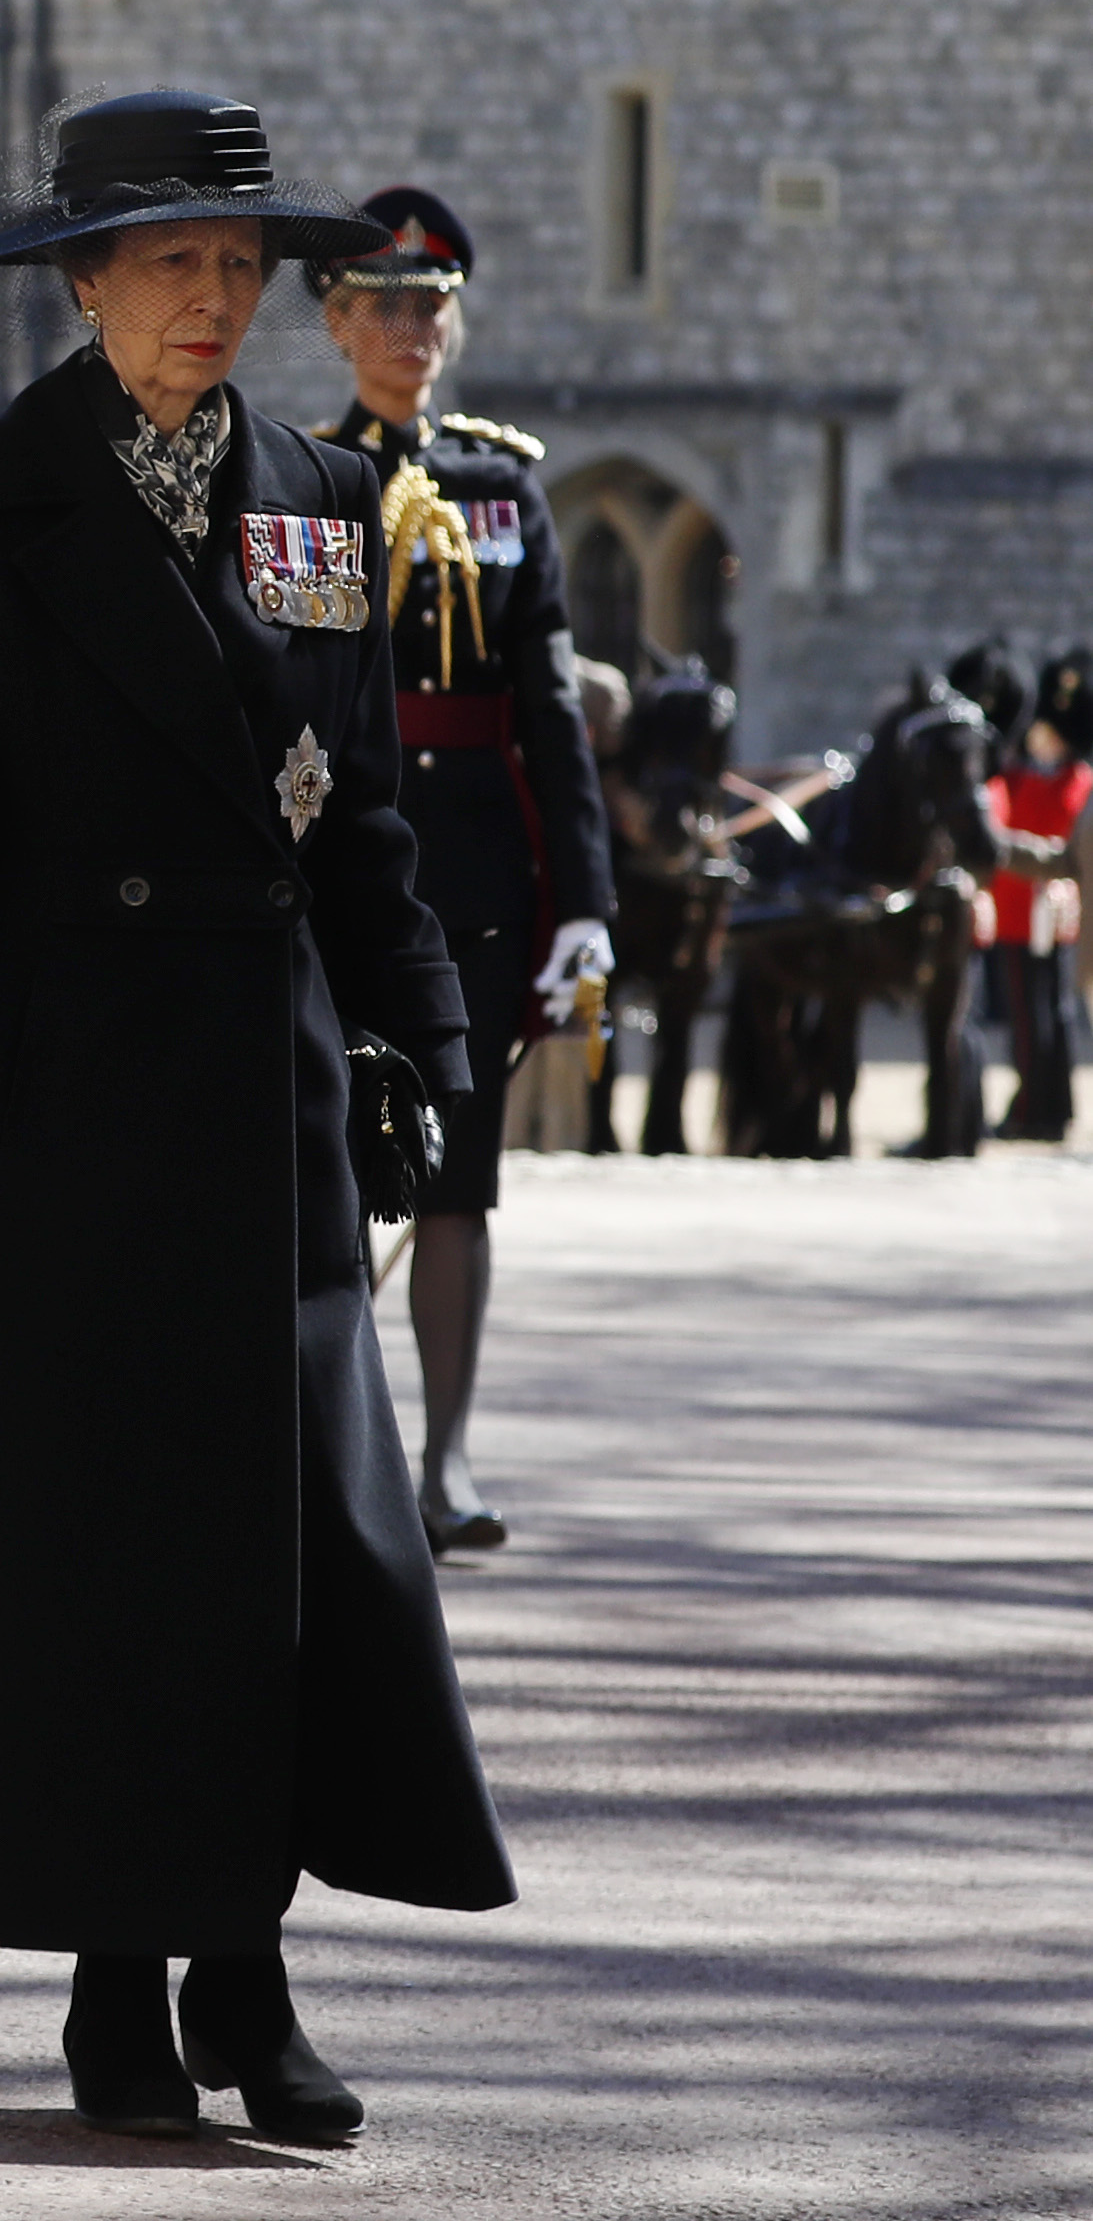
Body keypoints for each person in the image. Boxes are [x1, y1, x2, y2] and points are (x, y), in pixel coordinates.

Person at [0, 88, 508, 2144]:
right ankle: (120, 1979)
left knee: (280, 1554)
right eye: (172, 270)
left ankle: (251, 1966)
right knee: (98, 1559)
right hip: (58, 1105)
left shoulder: (314, 497)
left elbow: (362, 808)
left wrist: (425, 1041)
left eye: (239, 270)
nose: (213, 304)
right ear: (88, 286)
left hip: (266, 1095)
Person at [313, 186, 615, 1554]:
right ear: (332, 320)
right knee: (323, 1160)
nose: (407, 328)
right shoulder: (303, 476)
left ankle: (444, 1460)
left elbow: (549, 712)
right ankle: (326, 1452)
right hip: (342, 863)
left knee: (458, 1172)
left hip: (480, 881)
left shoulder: (502, 487)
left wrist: (589, 907)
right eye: (380, 303)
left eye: (430, 304)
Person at [980, 654, 1084, 1141]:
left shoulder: (1030, 780)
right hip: (1055, 917)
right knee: (1053, 1014)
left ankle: (1031, 1109)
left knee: (1031, 1018)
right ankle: (1054, 1104)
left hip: (1023, 915)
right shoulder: (1075, 780)